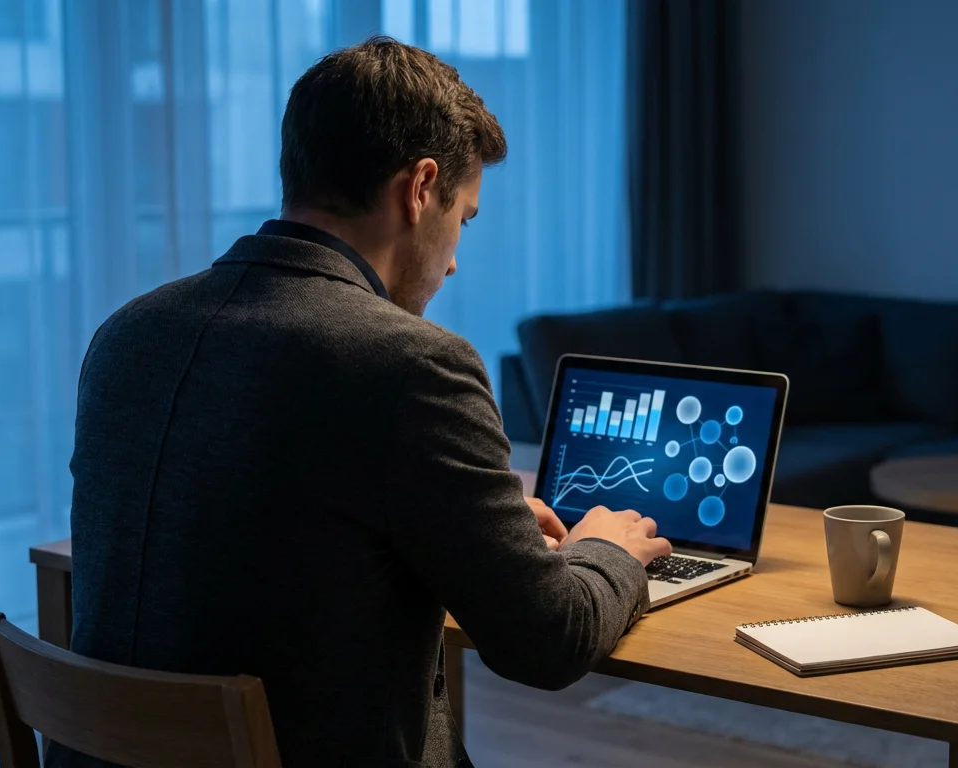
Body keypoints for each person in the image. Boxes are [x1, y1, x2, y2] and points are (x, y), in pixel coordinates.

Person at [50, 36, 670, 768]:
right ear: (418, 189)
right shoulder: (412, 363)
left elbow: (277, 530)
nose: (454, 257)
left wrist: (473, 523)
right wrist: (608, 549)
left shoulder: (128, 333)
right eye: (462, 219)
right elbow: (548, 641)